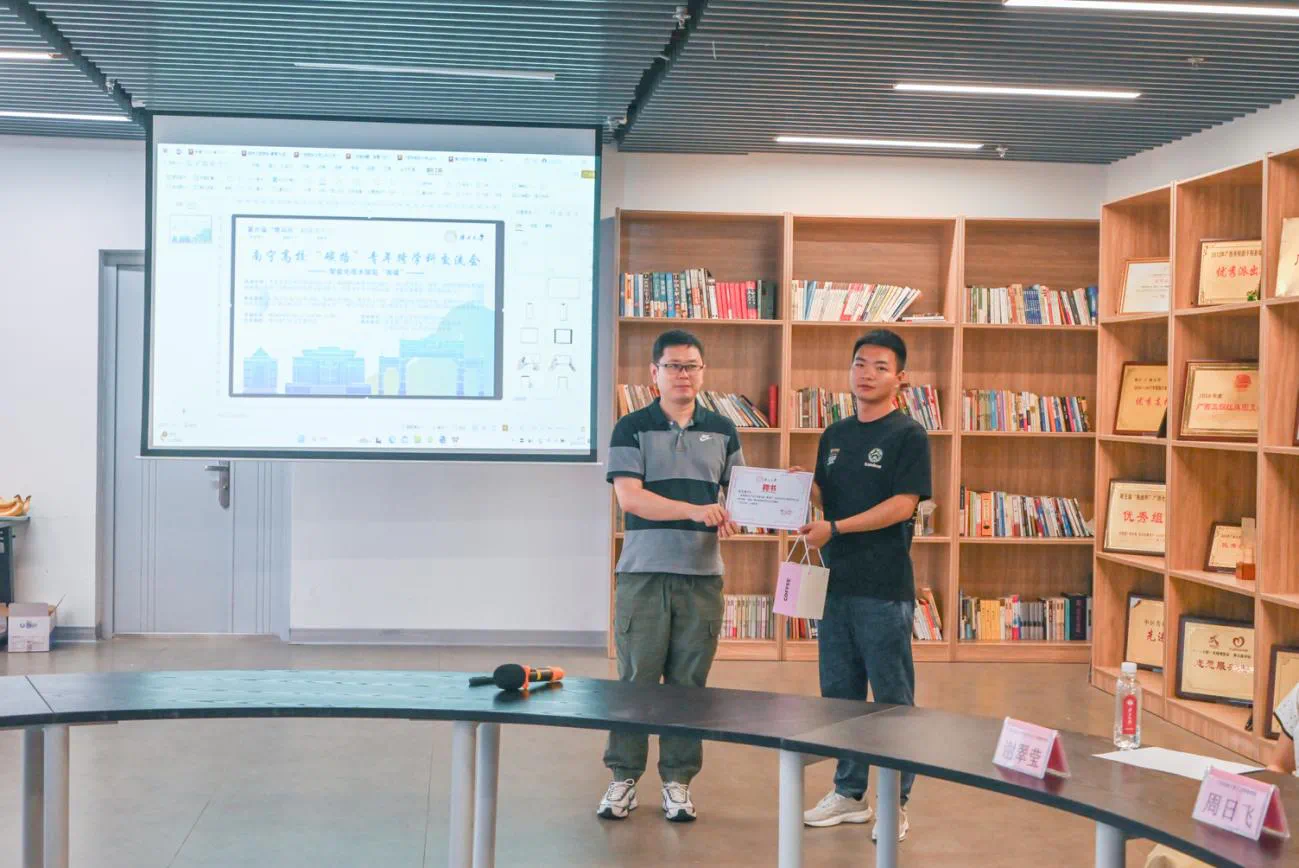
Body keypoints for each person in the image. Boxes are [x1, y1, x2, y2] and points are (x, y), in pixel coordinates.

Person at [600, 328, 744, 822]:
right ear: (654, 373)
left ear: (703, 372)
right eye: (673, 366)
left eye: (692, 366)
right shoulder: (630, 427)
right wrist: (695, 510)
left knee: (688, 685)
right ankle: (623, 777)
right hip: (643, 574)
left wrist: (767, 499)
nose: (683, 374)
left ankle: (678, 782)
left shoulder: (723, 429)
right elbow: (631, 499)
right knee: (636, 680)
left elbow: (739, 495)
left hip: (702, 576)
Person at [796, 329, 931, 843]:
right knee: (840, 697)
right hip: (833, 585)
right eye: (859, 364)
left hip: (883, 588)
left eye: (879, 366)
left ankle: (896, 804)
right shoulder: (834, 434)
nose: (867, 374)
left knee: (891, 700)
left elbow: (902, 505)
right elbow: (828, 495)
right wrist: (799, 488)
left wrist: (836, 528)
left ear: (900, 378)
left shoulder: (908, 435)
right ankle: (849, 794)